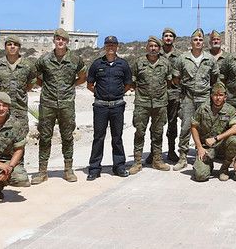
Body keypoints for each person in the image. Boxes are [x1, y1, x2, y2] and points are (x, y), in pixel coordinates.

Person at [32, 28, 86, 185]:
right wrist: (46, 87)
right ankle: (42, 172)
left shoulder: (75, 59)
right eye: (58, 39)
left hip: (67, 103)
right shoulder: (44, 59)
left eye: (63, 39)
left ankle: (68, 169)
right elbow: (36, 77)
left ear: (67, 42)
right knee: (45, 136)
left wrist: (72, 85)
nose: (60, 42)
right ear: (54, 41)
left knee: (67, 136)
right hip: (47, 103)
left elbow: (83, 77)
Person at [0, 35, 37, 186]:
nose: (12, 47)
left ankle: (18, 172)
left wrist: (20, 94)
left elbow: (31, 83)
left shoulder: (28, 66)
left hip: (19, 111)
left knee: (19, 143)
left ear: (20, 47)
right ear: (5, 47)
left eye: (15, 45)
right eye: (9, 44)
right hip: (0, 111)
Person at [86, 36, 133, 180]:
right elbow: (89, 85)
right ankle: (94, 168)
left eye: (113, 44)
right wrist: (100, 95)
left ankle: (119, 166)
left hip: (117, 107)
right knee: (98, 138)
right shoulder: (96, 64)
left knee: (117, 137)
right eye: (108, 44)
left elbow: (128, 85)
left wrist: (117, 95)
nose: (110, 47)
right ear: (104, 46)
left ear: (117, 46)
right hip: (100, 107)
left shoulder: (123, 65)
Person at [172, 28, 219, 171]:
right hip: (188, 97)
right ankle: (182, 157)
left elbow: (214, 78)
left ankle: (205, 153)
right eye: (195, 40)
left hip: (204, 97)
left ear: (203, 42)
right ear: (191, 42)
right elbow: (175, 78)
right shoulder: (182, 58)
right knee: (186, 127)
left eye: (200, 40)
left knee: (205, 126)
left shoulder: (209, 58)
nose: (198, 42)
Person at [130, 36, 172, 174]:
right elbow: (132, 82)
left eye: (156, 46)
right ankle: (137, 162)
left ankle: (157, 160)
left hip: (160, 104)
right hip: (142, 103)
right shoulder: (139, 63)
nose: (153, 48)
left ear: (159, 49)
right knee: (139, 132)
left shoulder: (165, 63)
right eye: (151, 46)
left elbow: (169, 81)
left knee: (158, 133)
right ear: (147, 47)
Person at [191, 82, 236, 182]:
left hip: (222, 144)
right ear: (211, 96)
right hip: (206, 147)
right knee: (201, 176)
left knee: (235, 141)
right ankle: (207, 164)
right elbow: (193, 127)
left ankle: (224, 169)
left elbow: (235, 128)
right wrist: (200, 147)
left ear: (225, 97)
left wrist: (216, 138)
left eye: (221, 95)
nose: (218, 98)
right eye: (215, 95)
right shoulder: (203, 108)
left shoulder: (230, 110)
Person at [159, 27, 181, 163]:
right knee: (157, 125)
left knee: (172, 124)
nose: (168, 38)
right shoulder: (155, 53)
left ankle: (171, 150)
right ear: (162, 38)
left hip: (174, 94)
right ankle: (155, 152)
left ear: (174, 39)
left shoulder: (179, 56)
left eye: (170, 36)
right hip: (158, 95)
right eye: (166, 36)